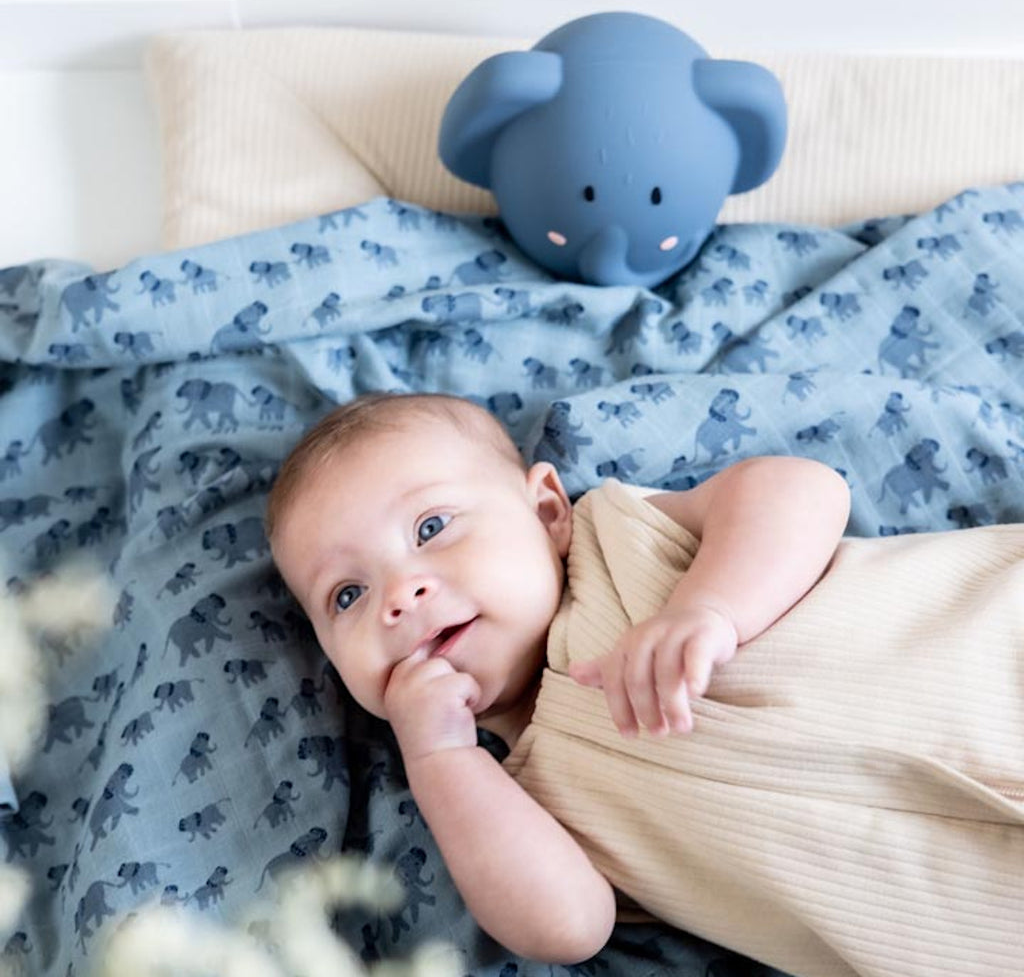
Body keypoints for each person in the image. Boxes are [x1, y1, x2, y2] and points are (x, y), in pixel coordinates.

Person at [266, 391, 1024, 977]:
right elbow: (566, 929)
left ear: (546, 511)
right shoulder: (512, 801)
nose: (398, 595)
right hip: (968, 920)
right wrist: (438, 760)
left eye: (431, 529)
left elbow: (803, 489)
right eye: (346, 596)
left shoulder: (620, 535)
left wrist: (710, 608)